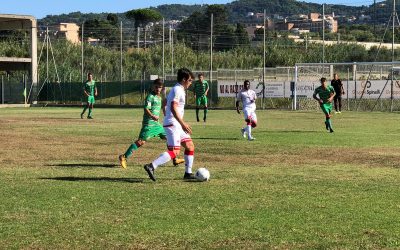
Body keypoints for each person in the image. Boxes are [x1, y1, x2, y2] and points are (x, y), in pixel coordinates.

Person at [143, 68, 197, 182]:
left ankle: (188, 173)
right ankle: (151, 166)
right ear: (184, 79)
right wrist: (182, 123)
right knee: (175, 152)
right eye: (190, 80)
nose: (191, 83)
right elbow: (172, 106)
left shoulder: (178, 89)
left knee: (190, 146)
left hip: (175, 123)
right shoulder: (178, 89)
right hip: (174, 124)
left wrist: (164, 112)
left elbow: (165, 101)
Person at [118, 79, 184, 169]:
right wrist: (152, 116)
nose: (158, 89)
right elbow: (146, 108)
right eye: (156, 87)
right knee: (141, 142)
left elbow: (162, 106)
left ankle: (174, 159)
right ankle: (123, 157)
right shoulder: (150, 97)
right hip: (149, 124)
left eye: (160, 87)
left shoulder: (159, 97)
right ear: (153, 86)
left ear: (162, 88)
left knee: (169, 138)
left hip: (157, 125)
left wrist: (165, 113)